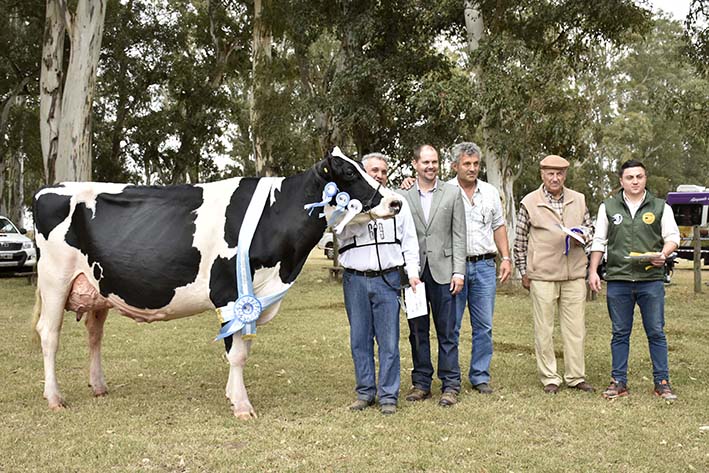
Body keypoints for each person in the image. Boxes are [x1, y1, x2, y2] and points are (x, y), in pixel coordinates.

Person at [337, 152, 421, 415]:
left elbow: (409, 240)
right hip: (356, 279)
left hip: (388, 278)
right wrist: (367, 211)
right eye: (374, 170)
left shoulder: (398, 201)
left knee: (389, 340)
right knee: (359, 339)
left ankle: (388, 395)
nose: (379, 175)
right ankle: (365, 392)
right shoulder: (346, 204)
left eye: (383, 171)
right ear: (363, 172)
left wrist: (413, 272)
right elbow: (338, 230)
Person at [588, 160, 680, 401]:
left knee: (656, 332)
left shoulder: (661, 207)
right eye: (630, 177)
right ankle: (618, 382)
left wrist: (664, 254)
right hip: (618, 279)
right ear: (621, 181)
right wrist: (592, 271)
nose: (635, 181)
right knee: (620, 332)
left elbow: (672, 237)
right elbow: (599, 240)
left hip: (651, 279)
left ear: (645, 178)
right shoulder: (608, 207)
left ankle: (662, 382)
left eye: (639, 176)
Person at [513, 155, 595, 394]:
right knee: (544, 329)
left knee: (576, 328)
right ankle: (550, 377)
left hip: (574, 275)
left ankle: (575, 376)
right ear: (542, 174)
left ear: (565, 175)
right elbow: (519, 240)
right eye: (550, 173)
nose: (555, 178)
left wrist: (584, 235)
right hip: (542, 275)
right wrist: (523, 271)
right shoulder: (529, 202)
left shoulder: (578, 200)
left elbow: (590, 228)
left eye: (560, 173)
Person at [399, 144, 466, 407]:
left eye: (434, 162)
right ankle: (421, 383)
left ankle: (450, 384)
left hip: (444, 272)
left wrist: (459, 271)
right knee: (417, 331)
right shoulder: (402, 194)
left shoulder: (452, 193)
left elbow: (459, 235)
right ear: (415, 164)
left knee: (447, 331)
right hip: (414, 274)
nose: (430, 167)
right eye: (425, 162)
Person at [448, 142, 512, 395]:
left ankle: (480, 376)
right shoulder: (445, 191)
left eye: (476, 164)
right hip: (455, 267)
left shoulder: (490, 192)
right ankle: (451, 377)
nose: (472, 169)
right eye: (467, 164)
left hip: (485, 265)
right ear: (455, 166)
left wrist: (505, 258)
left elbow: (499, 225)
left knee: (483, 326)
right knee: (450, 326)